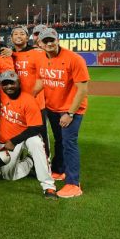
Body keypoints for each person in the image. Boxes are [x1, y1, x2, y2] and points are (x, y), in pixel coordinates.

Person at [33, 28, 89, 198]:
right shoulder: (41, 58)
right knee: (59, 140)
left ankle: (73, 184)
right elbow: (42, 80)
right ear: (40, 43)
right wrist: (29, 97)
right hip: (53, 107)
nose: (49, 43)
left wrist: (70, 113)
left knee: (69, 143)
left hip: (71, 109)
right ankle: (60, 170)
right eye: (46, 41)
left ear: (57, 40)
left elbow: (82, 89)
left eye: (52, 40)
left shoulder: (74, 59)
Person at [0, 71, 58, 199]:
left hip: (26, 136)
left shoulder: (28, 100)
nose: (9, 86)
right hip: (8, 139)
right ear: (1, 85)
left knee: (36, 143)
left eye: (12, 83)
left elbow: (35, 128)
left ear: (19, 83)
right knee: (8, 176)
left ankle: (48, 186)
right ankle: (29, 161)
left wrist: (14, 141)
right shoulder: (1, 94)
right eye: (5, 83)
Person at [10, 25, 49, 154]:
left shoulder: (37, 53)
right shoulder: (8, 54)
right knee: (17, 134)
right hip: (15, 105)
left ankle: (45, 162)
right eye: (16, 34)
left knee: (40, 135)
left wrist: (30, 97)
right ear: (11, 38)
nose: (19, 36)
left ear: (27, 37)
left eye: (22, 33)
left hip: (36, 102)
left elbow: (44, 77)